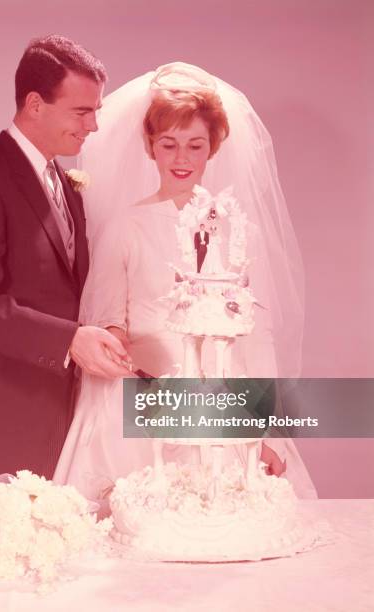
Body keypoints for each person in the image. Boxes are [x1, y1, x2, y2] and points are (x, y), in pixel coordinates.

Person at [53, 62, 317, 511]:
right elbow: (108, 321)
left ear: (213, 149)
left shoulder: (239, 231)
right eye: (169, 144)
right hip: (142, 401)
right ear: (151, 147)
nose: (181, 158)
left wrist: (262, 431)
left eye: (195, 145)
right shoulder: (126, 226)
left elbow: (256, 337)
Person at [0, 35, 131, 498]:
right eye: (82, 112)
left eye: (96, 111)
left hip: (65, 417)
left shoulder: (66, 182)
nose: (94, 126)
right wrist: (69, 340)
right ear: (35, 104)